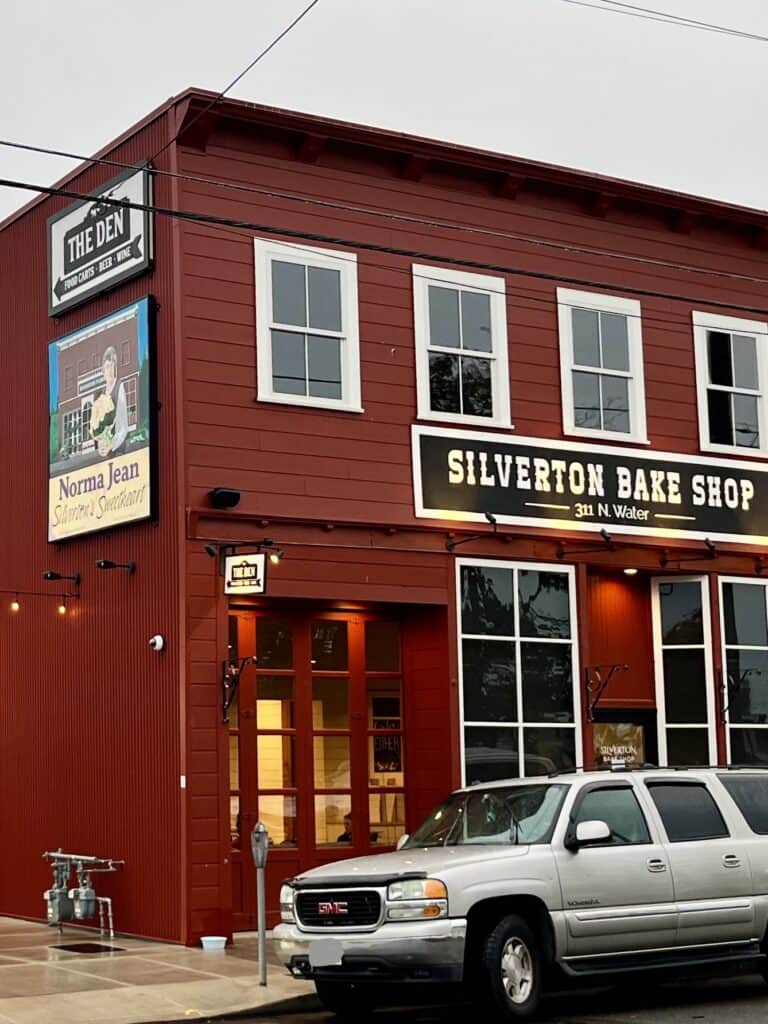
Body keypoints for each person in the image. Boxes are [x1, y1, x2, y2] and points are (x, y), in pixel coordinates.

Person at [91, 346, 129, 456]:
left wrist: (111, 445)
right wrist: (100, 445)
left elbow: (123, 426)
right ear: (103, 371)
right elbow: (97, 426)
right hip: (105, 453)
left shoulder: (119, 387)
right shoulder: (101, 395)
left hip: (119, 451)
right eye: (107, 367)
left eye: (112, 366)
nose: (110, 370)